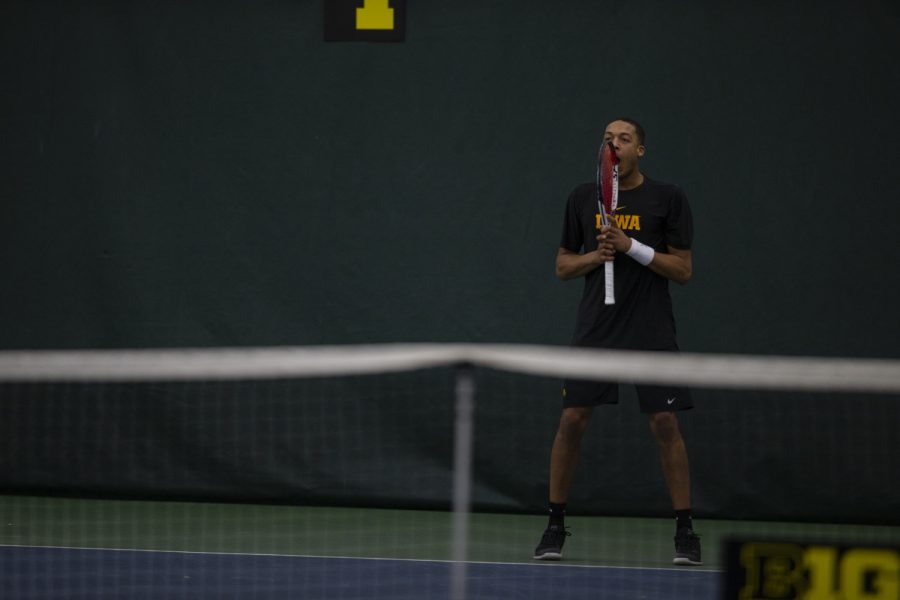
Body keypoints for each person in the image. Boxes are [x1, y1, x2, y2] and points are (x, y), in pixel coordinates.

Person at [533, 118, 701, 566]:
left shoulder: (668, 198)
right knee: (572, 419)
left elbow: (683, 271)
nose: (614, 144)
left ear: (640, 150)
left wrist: (631, 247)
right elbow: (563, 265)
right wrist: (596, 254)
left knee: (665, 424)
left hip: (650, 327)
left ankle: (685, 529)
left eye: (624, 138)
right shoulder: (582, 198)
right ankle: (554, 524)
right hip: (597, 328)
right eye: (608, 139)